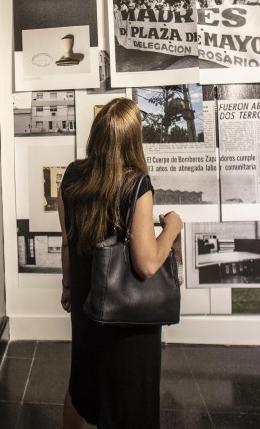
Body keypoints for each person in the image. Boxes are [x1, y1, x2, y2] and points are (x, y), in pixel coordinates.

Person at [57, 97, 183, 428]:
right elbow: (147, 264)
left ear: (97, 134)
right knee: (128, 405)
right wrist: (172, 227)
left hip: (87, 307)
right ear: (133, 138)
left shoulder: (72, 175)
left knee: (82, 388)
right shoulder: (137, 184)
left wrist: (68, 286)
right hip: (127, 320)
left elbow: (67, 243)